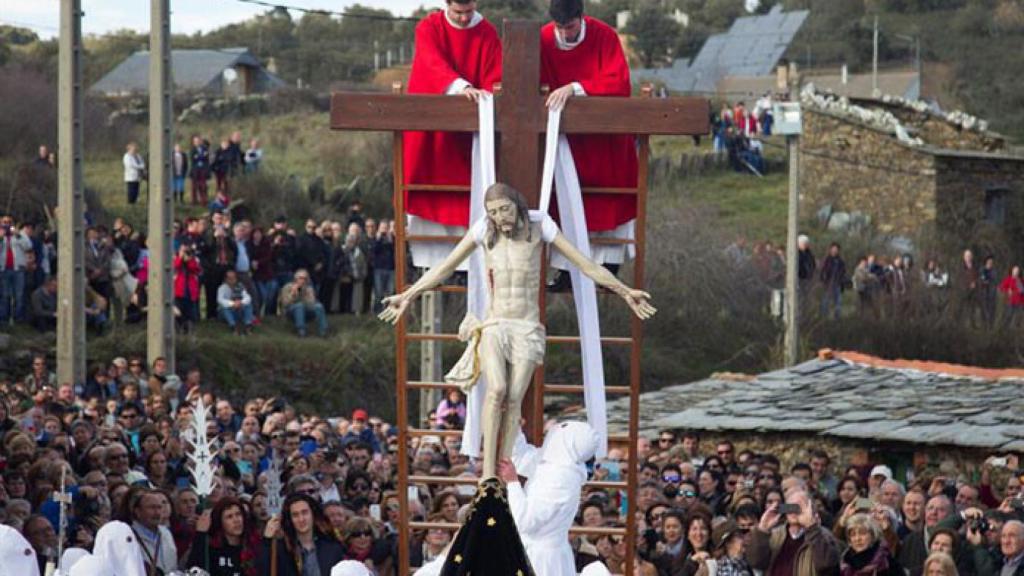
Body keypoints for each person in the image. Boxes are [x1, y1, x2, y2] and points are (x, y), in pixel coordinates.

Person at [380, 183, 655, 478]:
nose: (499, 217)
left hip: (526, 326)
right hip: (495, 322)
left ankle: (503, 465)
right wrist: (407, 295)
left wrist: (625, 292)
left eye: (504, 210)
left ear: (517, 205)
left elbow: (584, 264)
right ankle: (487, 472)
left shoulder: (540, 228)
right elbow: (444, 267)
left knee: (513, 397)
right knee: (495, 389)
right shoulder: (484, 231)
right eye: (493, 212)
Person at [540, 0, 639, 253]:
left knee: (606, 204)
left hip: (604, 141)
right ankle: (565, 268)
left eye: (570, 27)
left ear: (581, 17)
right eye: (559, 27)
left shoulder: (605, 35)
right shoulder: (542, 38)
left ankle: (609, 265)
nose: (564, 33)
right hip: (564, 141)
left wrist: (574, 87)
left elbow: (619, 83)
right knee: (564, 203)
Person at [402, 0, 502, 237]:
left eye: (469, 11)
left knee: (471, 196)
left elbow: (496, 73)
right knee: (426, 185)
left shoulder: (487, 32)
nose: (465, 18)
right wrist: (461, 87)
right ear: (447, 5)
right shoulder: (429, 28)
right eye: (458, 12)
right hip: (434, 131)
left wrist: (486, 95)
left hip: (469, 133)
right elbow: (431, 62)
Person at [499, 421, 601, 576]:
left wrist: (513, 482)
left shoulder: (561, 479)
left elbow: (526, 521)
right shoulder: (556, 464)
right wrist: (515, 427)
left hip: (541, 561)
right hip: (538, 553)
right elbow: (523, 457)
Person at [747, 490, 841, 576]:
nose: (793, 510)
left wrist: (812, 528)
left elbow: (827, 567)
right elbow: (755, 562)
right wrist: (762, 530)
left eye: (798, 506)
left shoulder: (823, 536)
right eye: (789, 506)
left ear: (810, 509)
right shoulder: (774, 534)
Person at [259, 493, 345, 576]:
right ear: (290, 519)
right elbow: (264, 571)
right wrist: (267, 540)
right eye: (295, 515)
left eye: (305, 512)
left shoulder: (332, 547)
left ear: (312, 514)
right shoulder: (282, 550)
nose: (301, 519)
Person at [186, 496, 259, 576]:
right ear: (220, 522)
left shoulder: (252, 545)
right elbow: (193, 570)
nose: (236, 520)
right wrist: (200, 534)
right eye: (229, 517)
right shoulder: (212, 548)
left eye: (238, 514)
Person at [0, 217, 33, 324]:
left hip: (18, 269)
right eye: (5, 223)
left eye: (9, 223)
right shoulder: (1, 235)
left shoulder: (19, 235)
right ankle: (4, 317)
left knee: (18, 295)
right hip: (4, 269)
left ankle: (17, 317)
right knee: (5, 295)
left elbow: (28, 246)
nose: (7, 225)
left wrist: (18, 235)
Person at [280, 269, 329, 338]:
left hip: (306, 311)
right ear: (295, 278)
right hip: (290, 311)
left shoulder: (308, 289)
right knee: (299, 306)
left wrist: (305, 293)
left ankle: (323, 331)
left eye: (305, 278)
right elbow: (285, 303)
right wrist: (293, 294)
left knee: (319, 306)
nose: (302, 280)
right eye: (300, 278)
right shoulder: (287, 287)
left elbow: (312, 303)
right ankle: (301, 331)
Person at [217, 270, 255, 335]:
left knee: (248, 305)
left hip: (237, 310)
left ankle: (248, 326)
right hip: (225, 313)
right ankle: (233, 327)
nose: (232, 280)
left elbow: (248, 297)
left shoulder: (240, 286)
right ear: (226, 279)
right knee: (224, 308)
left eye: (233, 278)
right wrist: (232, 303)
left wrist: (241, 302)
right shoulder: (222, 288)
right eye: (229, 278)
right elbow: (220, 300)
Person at [819, 243, 847, 320]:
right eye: (833, 249)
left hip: (837, 283)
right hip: (828, 283)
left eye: (836, 249)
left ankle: (837, 317)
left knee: (838, 301)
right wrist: (823, 280)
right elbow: (822, 271)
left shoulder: (840, 261)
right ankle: (823, 317)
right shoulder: (826, 260)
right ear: (830, 249)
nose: (835, 251)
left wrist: (842, 282)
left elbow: (843, 272)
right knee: (825, 300)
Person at [190, 135, 211, 205]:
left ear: (200, 141)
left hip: (203, 170)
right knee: (194, 187)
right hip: (195, 171)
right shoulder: (192, 149)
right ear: (193, 142)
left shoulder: (204, 149)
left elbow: (206, 158)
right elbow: (193, 159)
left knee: (203, 186)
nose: (197, 142)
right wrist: (201, 156)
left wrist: (199, 156)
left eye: (198, 141)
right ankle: (194, 201)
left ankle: (204, 201)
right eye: (195, 141)